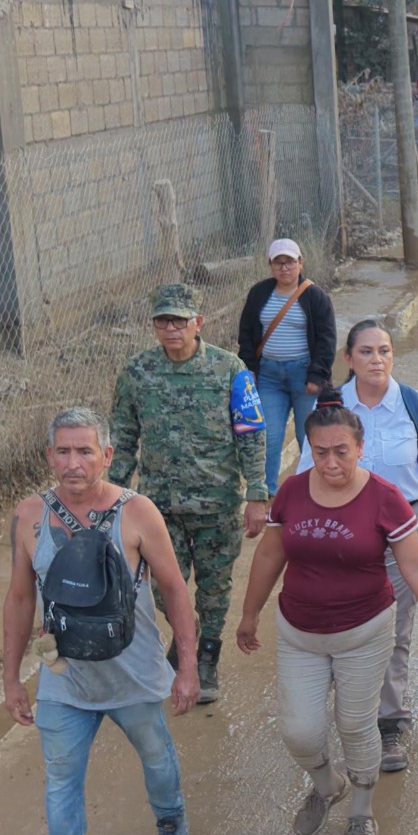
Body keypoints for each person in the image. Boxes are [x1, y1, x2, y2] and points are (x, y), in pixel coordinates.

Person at [3, 408, 202, 835]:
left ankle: (169, 820)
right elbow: (20, 598)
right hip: (65, 681)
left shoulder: (137, 514)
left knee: (157, 757)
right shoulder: (28, 516)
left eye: (85, 451)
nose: (73, 463)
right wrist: (11, 679)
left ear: (107, 456)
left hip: (132, 675)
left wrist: (186, 666)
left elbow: (176, 591)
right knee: (60, 780)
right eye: (63, 451)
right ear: (49, 457)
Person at [237, 403, 418, 835]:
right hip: (300, 631)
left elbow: (415, 562)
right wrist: (250, 613)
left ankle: (361, 809)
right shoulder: (292, 492)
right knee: (300, 732)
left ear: (360, 447)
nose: (331, 463)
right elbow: (269, 556)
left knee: (356, 724)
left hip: (364, 630)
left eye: (341, 451)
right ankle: (326, 785)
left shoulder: (385, 497)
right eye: (320, 453)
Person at [301, 319, 418, 774]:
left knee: (396, 626)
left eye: (384, 351)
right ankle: (351, 711)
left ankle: (389, 721)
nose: (377, 360)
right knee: (339, 618)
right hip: (342, 528)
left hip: (404, 527)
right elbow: (304, 466)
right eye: (366, 352)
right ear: (348, 359)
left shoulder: (414, 403)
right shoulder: (330, 405)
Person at [108, 283, 269, 705]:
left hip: (217, 501)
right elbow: (124, 438)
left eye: (180, 320)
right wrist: (112, 497)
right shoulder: (138, 372)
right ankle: (187, 642)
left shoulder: (229, 370)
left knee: (214, 586)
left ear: (198, 323)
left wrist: (257, 493)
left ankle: (208, 654)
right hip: (158, 505)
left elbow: (251, 434)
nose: (171, 328)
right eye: (163, 320)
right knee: (164, 583)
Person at [235, 240, 335, 495]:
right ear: (270, 265)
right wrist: (250, 368)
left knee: (310, 437)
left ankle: (314, 490)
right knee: (268, 436)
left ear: (300, 263)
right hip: (268, 376)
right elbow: (246, 332)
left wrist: (317, 375)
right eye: (278, 262)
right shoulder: (259, 293)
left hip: (304, 377)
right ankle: (267, 493)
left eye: (290, 261)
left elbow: (326, 339)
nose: (284, 268)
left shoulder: (315, 297)